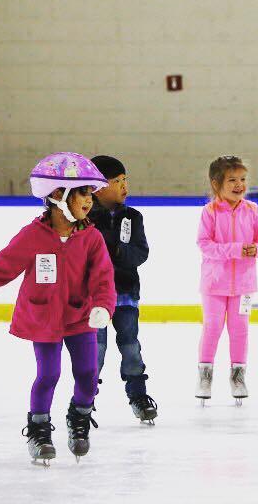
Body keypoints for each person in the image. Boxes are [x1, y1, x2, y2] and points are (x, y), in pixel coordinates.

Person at [0, 152, 115, 465]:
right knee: (49, 374)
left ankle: (79, 418)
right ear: (58, 195)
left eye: (90, 194)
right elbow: (2, 266)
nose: (89, 200)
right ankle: (39, 429)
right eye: (82, 192)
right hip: (44, 318)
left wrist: (103, 306)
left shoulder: (91, 238)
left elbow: (103, 279)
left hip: (80, 317)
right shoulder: (32, 235)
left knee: (87, 374)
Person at [195, 156, 258, 405]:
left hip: (244, 285)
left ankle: (238, 376)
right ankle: (204, 375)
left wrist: (257, 250)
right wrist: (237, 249)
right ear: (217, 183)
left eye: (242, 179)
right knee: (213, 327)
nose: (239, 185)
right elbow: (204, 245)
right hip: (213, 284)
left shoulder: (253, 210)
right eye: (232, 180)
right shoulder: (209, 212)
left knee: (240, 330)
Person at [89, 155, 157, 424]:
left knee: (131, 347)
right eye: (116, 181)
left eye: (125, 180)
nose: (124, 186)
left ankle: (138, 394)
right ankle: (85, 397)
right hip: (94, 298)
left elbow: (140, 252)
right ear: (98, 187)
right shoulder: (86, 217)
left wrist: (116, 250)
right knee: (96, 348)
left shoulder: (133, 216)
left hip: (126, 293)